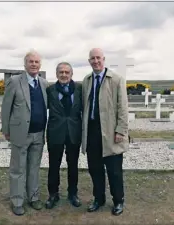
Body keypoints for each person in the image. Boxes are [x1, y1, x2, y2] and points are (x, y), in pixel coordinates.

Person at [81, 48, 129, 216]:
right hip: (92, 131)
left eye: (98, 58)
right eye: (92, 58)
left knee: (114, 170)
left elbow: (123, 108)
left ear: (104, 59)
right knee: (95, 169)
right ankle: (98, 198)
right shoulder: (87, 80)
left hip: (111, 132)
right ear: (89, 61)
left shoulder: (116, 79)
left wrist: (121, 130)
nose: (96, 61)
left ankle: (118, 201)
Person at [1, 50, 48, 216]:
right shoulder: (14, 82)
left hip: (39, 134)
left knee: (34, 168)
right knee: (18, 168)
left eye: (36, 62)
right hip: (20, 133)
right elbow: (6, 107)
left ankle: (33, 198)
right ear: (25, 64)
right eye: (31, 61)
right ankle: (17, 201)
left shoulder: (43, 83)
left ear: (40, 64)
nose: (34, 64)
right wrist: (6, 130)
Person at [45, 62, 82, 209]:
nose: (64, 75)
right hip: (55, 133)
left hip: (74, 132)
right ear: (56, 74)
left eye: (67, 72)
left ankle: (73, 194)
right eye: (61, 72)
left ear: (71, 74)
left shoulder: (79, 89)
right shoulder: (50, 90)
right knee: (54, 165)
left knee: (73, 165)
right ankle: (53, 194)